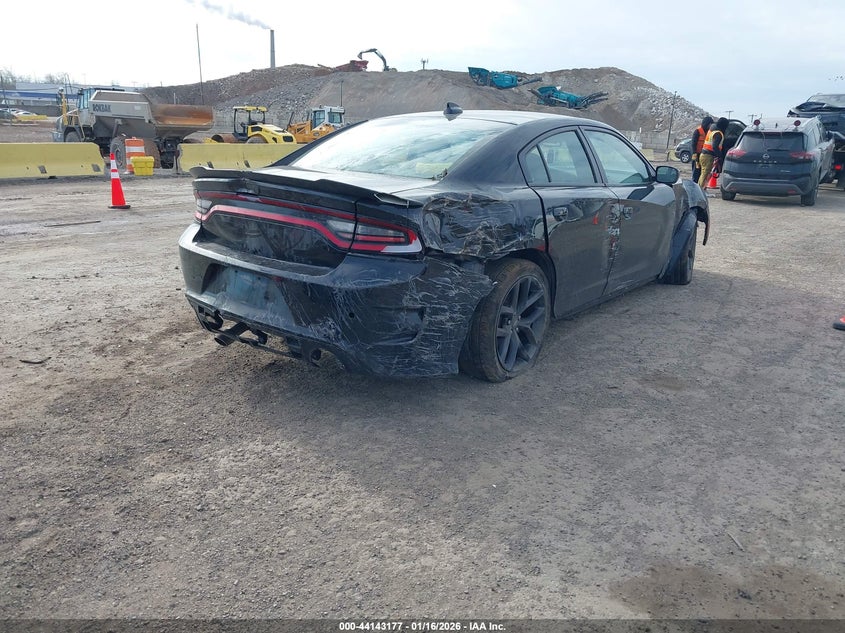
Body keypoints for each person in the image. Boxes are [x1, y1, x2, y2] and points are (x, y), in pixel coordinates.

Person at [698, 117, 729, 189]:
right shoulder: (718, 133)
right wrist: (720, 156)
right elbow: (715, 146)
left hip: (704, 154)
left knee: (704, 173)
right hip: (709, 155)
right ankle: (701, 190)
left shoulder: (712, 130)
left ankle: (702, 189)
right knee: (705, 173)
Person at [691, 116, 713, 183]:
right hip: (697, 154)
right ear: (706, 123)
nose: (710, 126)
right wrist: (695, 155)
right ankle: (694, 186)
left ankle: (700, 187)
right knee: (696, 172)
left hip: (705, 155)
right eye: (710, 124)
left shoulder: (709, 132)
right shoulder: (698, 131)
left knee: (703, 173)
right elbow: (693, 144)